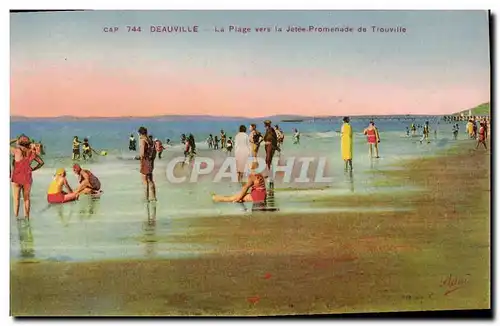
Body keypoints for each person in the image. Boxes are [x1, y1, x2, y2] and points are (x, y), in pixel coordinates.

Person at [10, 135, 44, 219]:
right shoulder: (32, 152)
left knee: (16, 199)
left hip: (16, 177)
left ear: (19, 142)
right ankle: (27, 217)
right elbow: (41, 162)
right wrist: (33, 169)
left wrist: (15, 139)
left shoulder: (17, 150)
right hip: (27, 177)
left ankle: (16, 217)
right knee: (27, 199)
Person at [138, 127, 157, 201]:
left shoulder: (143, 140)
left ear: (140, 133)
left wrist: (139, 158)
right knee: (150, 180)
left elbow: (142, 153)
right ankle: (154, 197)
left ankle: (146, 198)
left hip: (145, 161)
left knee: (145, 180)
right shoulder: (150, 140)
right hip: (150, 161)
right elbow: (154, 152)